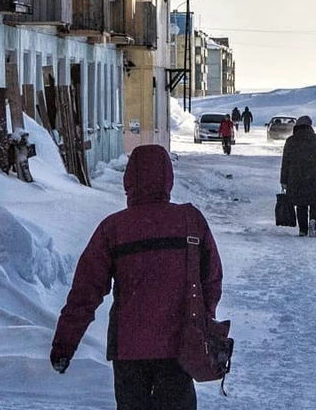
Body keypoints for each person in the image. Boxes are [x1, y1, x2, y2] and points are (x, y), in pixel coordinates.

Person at [50, 144, 223, 410]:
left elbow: (85, 293)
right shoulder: (189, 220)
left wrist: (64, 345)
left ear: (128, 179)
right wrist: (203, 320)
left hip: (128, 351)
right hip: (179, 348)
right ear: (168, 178)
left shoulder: (114, 228)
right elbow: (211, 278)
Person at [280, 115, 316, 237]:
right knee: (315, 202)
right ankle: (313, 221)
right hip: (315, 177)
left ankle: (303, 230)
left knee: (300, 204)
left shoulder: (291, 141)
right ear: (309, 126)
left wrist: (283, 180)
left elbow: (285, 162)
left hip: (296, 178)